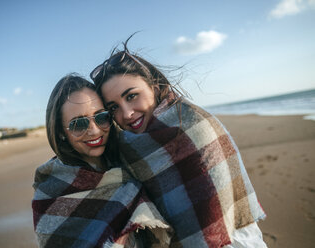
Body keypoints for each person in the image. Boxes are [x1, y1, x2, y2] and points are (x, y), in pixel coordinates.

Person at [90, 37, 267, 248]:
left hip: (235, 240)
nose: (127, 114)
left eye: (132, 96)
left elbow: (220, 203)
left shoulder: (193, 124)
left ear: (154, 86)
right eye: (113, 108)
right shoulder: (125, 149)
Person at [32, 74, 173, 248]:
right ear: (61, 131)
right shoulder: (50, 192)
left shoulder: (132, 159)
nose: (94, 131)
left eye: (101, 117)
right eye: (79, 124)